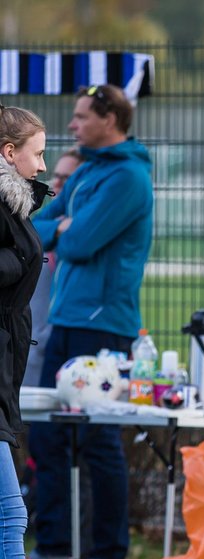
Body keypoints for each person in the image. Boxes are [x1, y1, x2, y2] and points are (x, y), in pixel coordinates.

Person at [0, 105, 118, 559]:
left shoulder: (15, 207)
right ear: (6, 152)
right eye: (37, 153)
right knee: (8, 519)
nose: (44, 165)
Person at [28, 84, 154, 559]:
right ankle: (55, 547)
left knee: (99, 442)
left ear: (109, 118)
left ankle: (109, 557)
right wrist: (60, 226)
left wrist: (62, 229)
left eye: (81, 117)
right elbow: (36, 227)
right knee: (47, 434)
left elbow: (77, 242)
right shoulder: (87, 172)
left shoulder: (128, 178)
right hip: (65, 320)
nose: (73, 125)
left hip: (103, 326)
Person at [23, 147, 81, 388]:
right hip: (33, 352)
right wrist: (57, 229)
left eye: (66, 178)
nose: (56, 182)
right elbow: (34, 232)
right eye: (57, 175)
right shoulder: (52, 215)